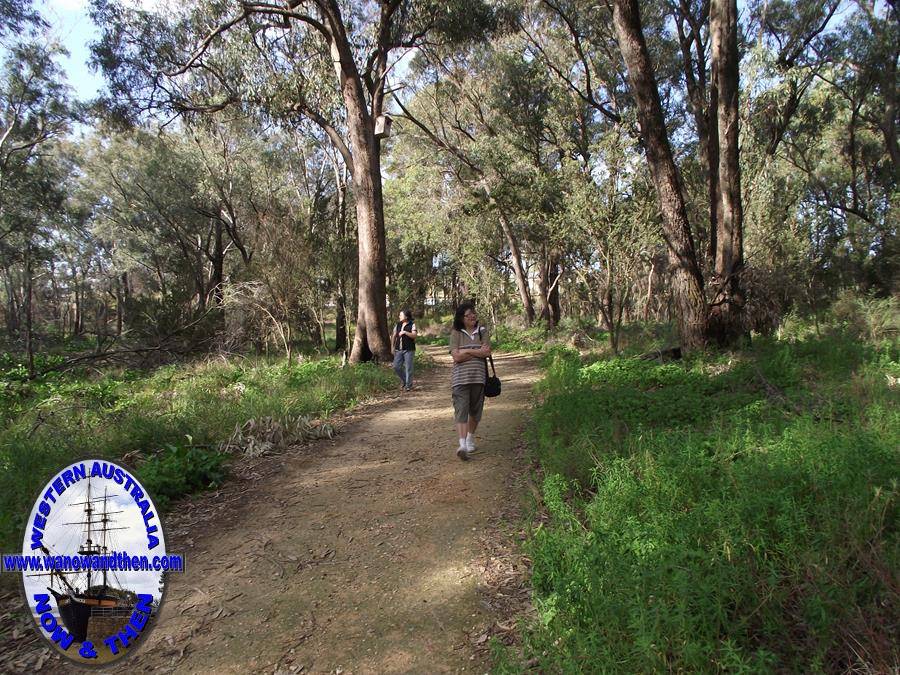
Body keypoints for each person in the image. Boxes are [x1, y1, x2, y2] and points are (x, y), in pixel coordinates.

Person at [449, 302, 491, 461]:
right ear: (461, 318)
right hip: (460, 379)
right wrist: (476, 351)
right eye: (469, 314)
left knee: (475, 412)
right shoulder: (456, 333)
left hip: (479, 378)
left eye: (474, 313)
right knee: (461, 411)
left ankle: (469, 438)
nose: (473, 316)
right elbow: (456, 357)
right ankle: (462, 445)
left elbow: (486, 352)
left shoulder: (482, 331)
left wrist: (465, 350)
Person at [391, 309, 417, 391]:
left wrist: (405, 332)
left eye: (401, 315)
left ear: (406, 316)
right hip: (399, 349)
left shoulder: (412, 325)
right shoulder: (398, 325)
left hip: (409, 350)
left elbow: (414, 335)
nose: (399, 316)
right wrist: (392, 347)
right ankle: (405, 381)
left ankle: (408, 386)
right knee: (396, 366)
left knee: (408, 368)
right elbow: (394, 335)